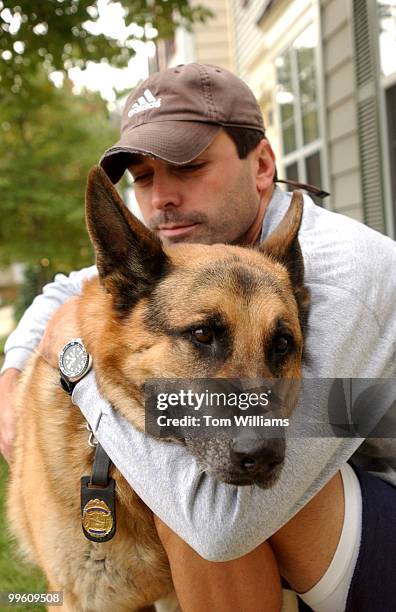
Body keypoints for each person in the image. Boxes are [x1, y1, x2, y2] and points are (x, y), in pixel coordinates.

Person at [1, 63, 396, 611]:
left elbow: (223, 523)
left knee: (201, 480)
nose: (161, 197)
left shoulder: (344, 273)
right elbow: (70, 286)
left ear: (261, 166)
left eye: (187, 167)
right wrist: (14, 370)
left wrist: (79, 371)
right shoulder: (202, 256)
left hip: (381, 509)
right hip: (325, 471)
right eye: (143, 177)